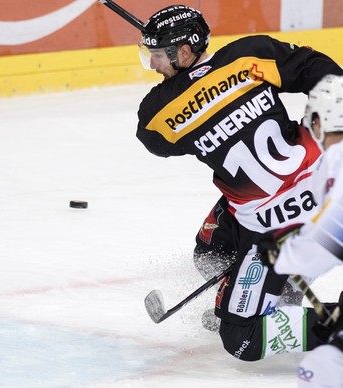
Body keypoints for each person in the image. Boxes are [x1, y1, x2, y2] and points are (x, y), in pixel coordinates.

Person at [133, 4, 343, 360]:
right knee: (211, 252)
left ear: (184, 52)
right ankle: (278, 290)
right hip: (319, 184)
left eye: (156, 56)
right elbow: (318, 72)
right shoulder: (248, 55)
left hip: (270, 228)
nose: (152, 65)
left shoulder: (161, 111)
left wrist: (196, 86)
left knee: (241, 338)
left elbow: (153, 139)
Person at [258, 74, 343, 386]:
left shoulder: (337, 159)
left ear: (320, 121)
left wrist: (285, 254)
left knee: (320, 370)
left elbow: (334, 233)